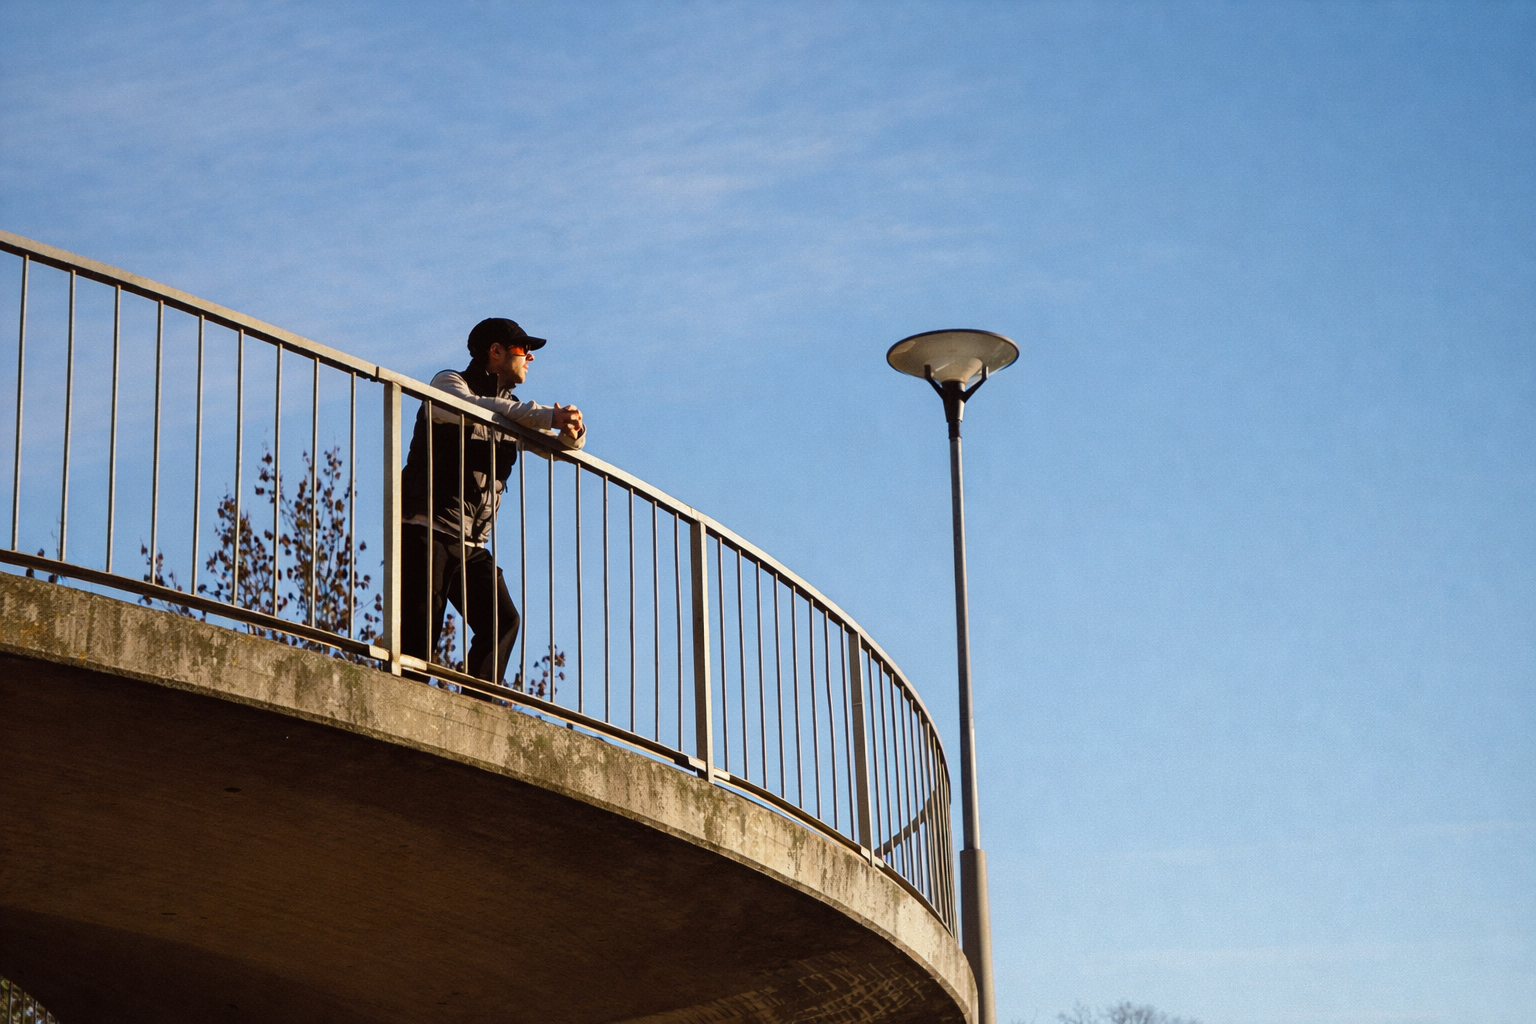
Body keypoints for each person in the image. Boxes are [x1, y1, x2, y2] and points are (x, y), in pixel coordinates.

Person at [399, 317, 585, 692]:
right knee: (419, 640)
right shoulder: (448, 384)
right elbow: (474, 408)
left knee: (503, 621)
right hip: (427, 530)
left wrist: (572, 434)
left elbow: (554, 448)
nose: (529, 358)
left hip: (471, 546)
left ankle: (474, 707)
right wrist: (546, 416)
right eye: (522, 349)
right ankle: (403, 704)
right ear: (495, 351)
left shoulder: (512, 409)